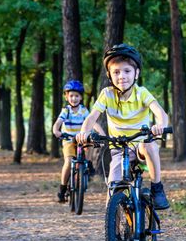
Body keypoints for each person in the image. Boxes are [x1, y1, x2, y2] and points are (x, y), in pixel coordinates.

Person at [76, 44, 170, 210]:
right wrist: (84, 131)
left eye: (127, 71)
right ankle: (115, 228)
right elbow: (92, 117)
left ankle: (157, 187)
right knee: (113, 189)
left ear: (136, 73)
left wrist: (160, 125)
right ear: (109, 75)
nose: (122, 76)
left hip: (139, 145)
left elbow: (160, 112)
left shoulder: (142, 93)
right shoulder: (107, 94)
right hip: (119, 148)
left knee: (149, 145)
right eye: (116, 72)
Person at [52, 80, 105, 203]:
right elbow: (58, 123)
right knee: (69, 161)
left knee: (90, 142)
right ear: (66, 97)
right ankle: (62, 188)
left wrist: (102, 133)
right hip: (69, 139)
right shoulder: (66, 110)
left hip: (81, 138)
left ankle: (89, 163)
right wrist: (56, 130)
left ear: (81, 97)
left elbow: (93, 122)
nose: (74, 98)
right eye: (71, 96)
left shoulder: (83, 110)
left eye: (76, 96)